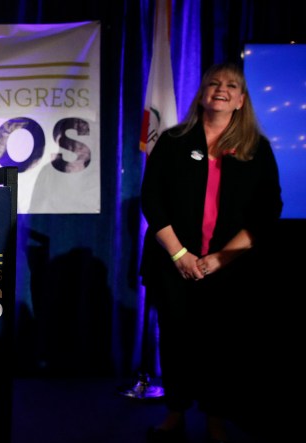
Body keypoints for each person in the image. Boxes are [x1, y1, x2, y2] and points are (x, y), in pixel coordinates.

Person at [140, 62, 282, 442]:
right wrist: (179, 255)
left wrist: (221, 259)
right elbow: (152, 201)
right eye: (214, 82)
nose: (221, 88)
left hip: (231, 269)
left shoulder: (256, 149)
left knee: (224, 345)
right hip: (174, 265)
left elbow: (268, 212)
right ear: (203, 93)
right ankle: (175, 415)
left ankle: (217, 418)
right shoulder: (172, 142)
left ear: (240, 101)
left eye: (231, 85)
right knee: (175, 341)